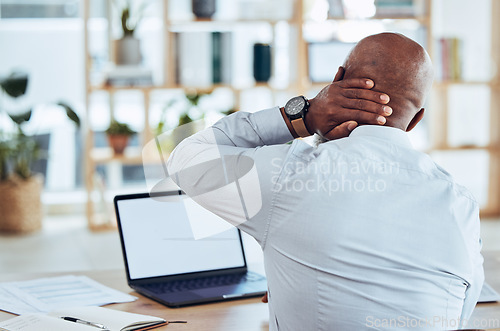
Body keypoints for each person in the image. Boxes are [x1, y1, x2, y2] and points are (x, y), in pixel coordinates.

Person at [166, 33, 484, 330]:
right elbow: (458, 313)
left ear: (336, 81)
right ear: (416, 120)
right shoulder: (462, 203)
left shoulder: (289, 176)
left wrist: (302, 116)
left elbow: (186, 156)